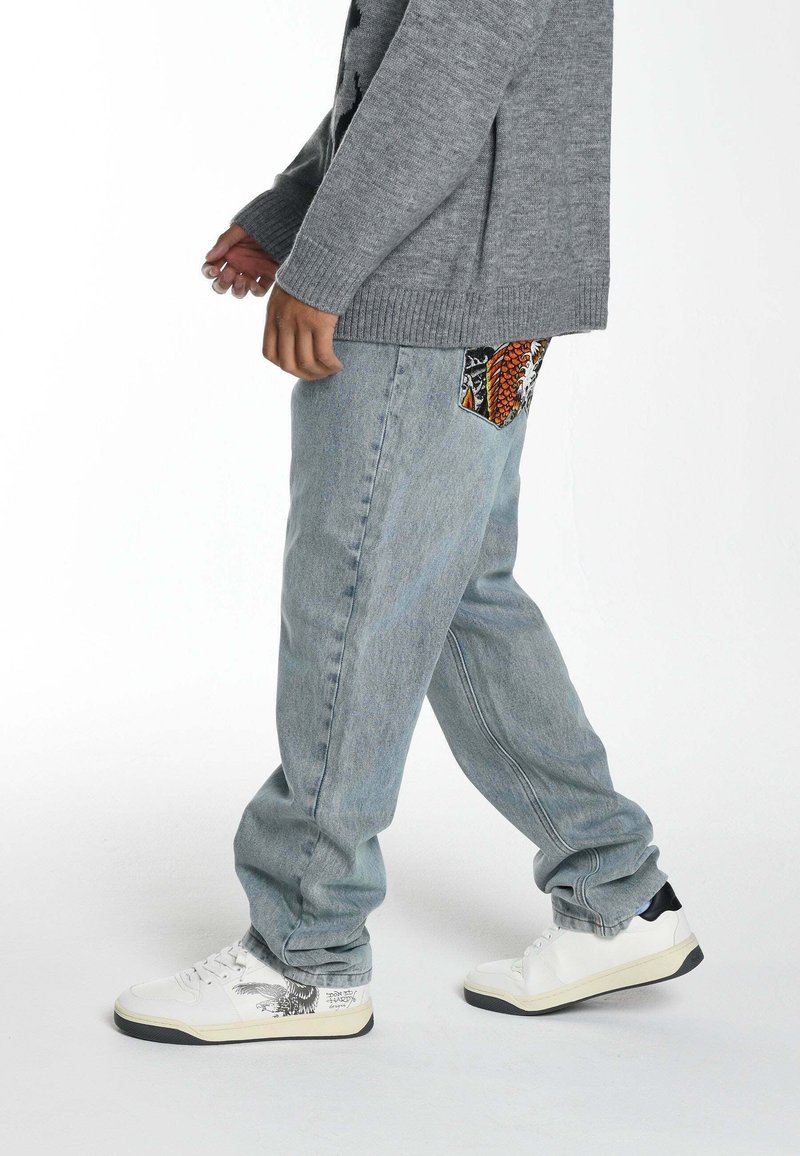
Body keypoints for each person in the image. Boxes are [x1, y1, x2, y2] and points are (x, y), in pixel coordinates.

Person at [114, 0, 702, 1045]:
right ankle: (617, 893)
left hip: (424, 291)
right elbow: (407, 66)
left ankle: (303, 954)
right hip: (483, 291)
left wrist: (326, 262)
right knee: (454, 587)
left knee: (355, 592)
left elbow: (445, 71)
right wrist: (294, 209)